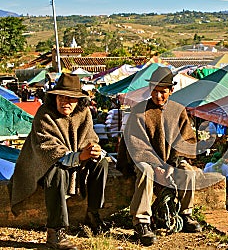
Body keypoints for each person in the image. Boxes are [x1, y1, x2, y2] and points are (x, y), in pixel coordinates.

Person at [9, 73, 109, 250]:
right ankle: (56, 232)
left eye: (71, 98)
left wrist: (95, 151)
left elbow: (89, 139)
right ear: (54, 98)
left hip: (75, 162)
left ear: (79, 101)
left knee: (101, 163)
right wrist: (79, 157)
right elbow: (48, 151)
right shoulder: (45, 114)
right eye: (61, 97)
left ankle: (93, 213)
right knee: (57, 170)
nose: (66, 102)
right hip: (40, 166)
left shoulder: (84, 114)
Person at [117, 66, 201, 246]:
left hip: (170, 162)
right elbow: (135, 144)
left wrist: (174, 163)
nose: (158, 96)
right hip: (142, 161)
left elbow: (186, 140)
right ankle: (141, 221)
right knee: (146, 171)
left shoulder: (178, 110)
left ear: (171, 90)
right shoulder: (139, 111)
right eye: (154, 91)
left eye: (162, 92)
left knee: (188, 172)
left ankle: (186, 214)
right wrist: (156, 165)